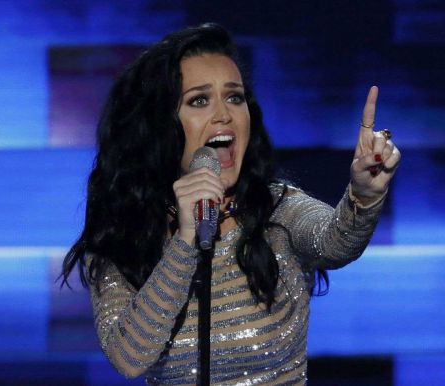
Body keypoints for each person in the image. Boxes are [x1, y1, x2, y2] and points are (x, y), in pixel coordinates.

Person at [61, 23, 400, 385]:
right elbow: (129, 358)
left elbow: (334, 242)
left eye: (234, 97)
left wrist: (365, 194)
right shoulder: (122, 237)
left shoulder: (277, 209)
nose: (224, 114)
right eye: (199, 100)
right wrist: (186, 239)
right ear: (160, 126)